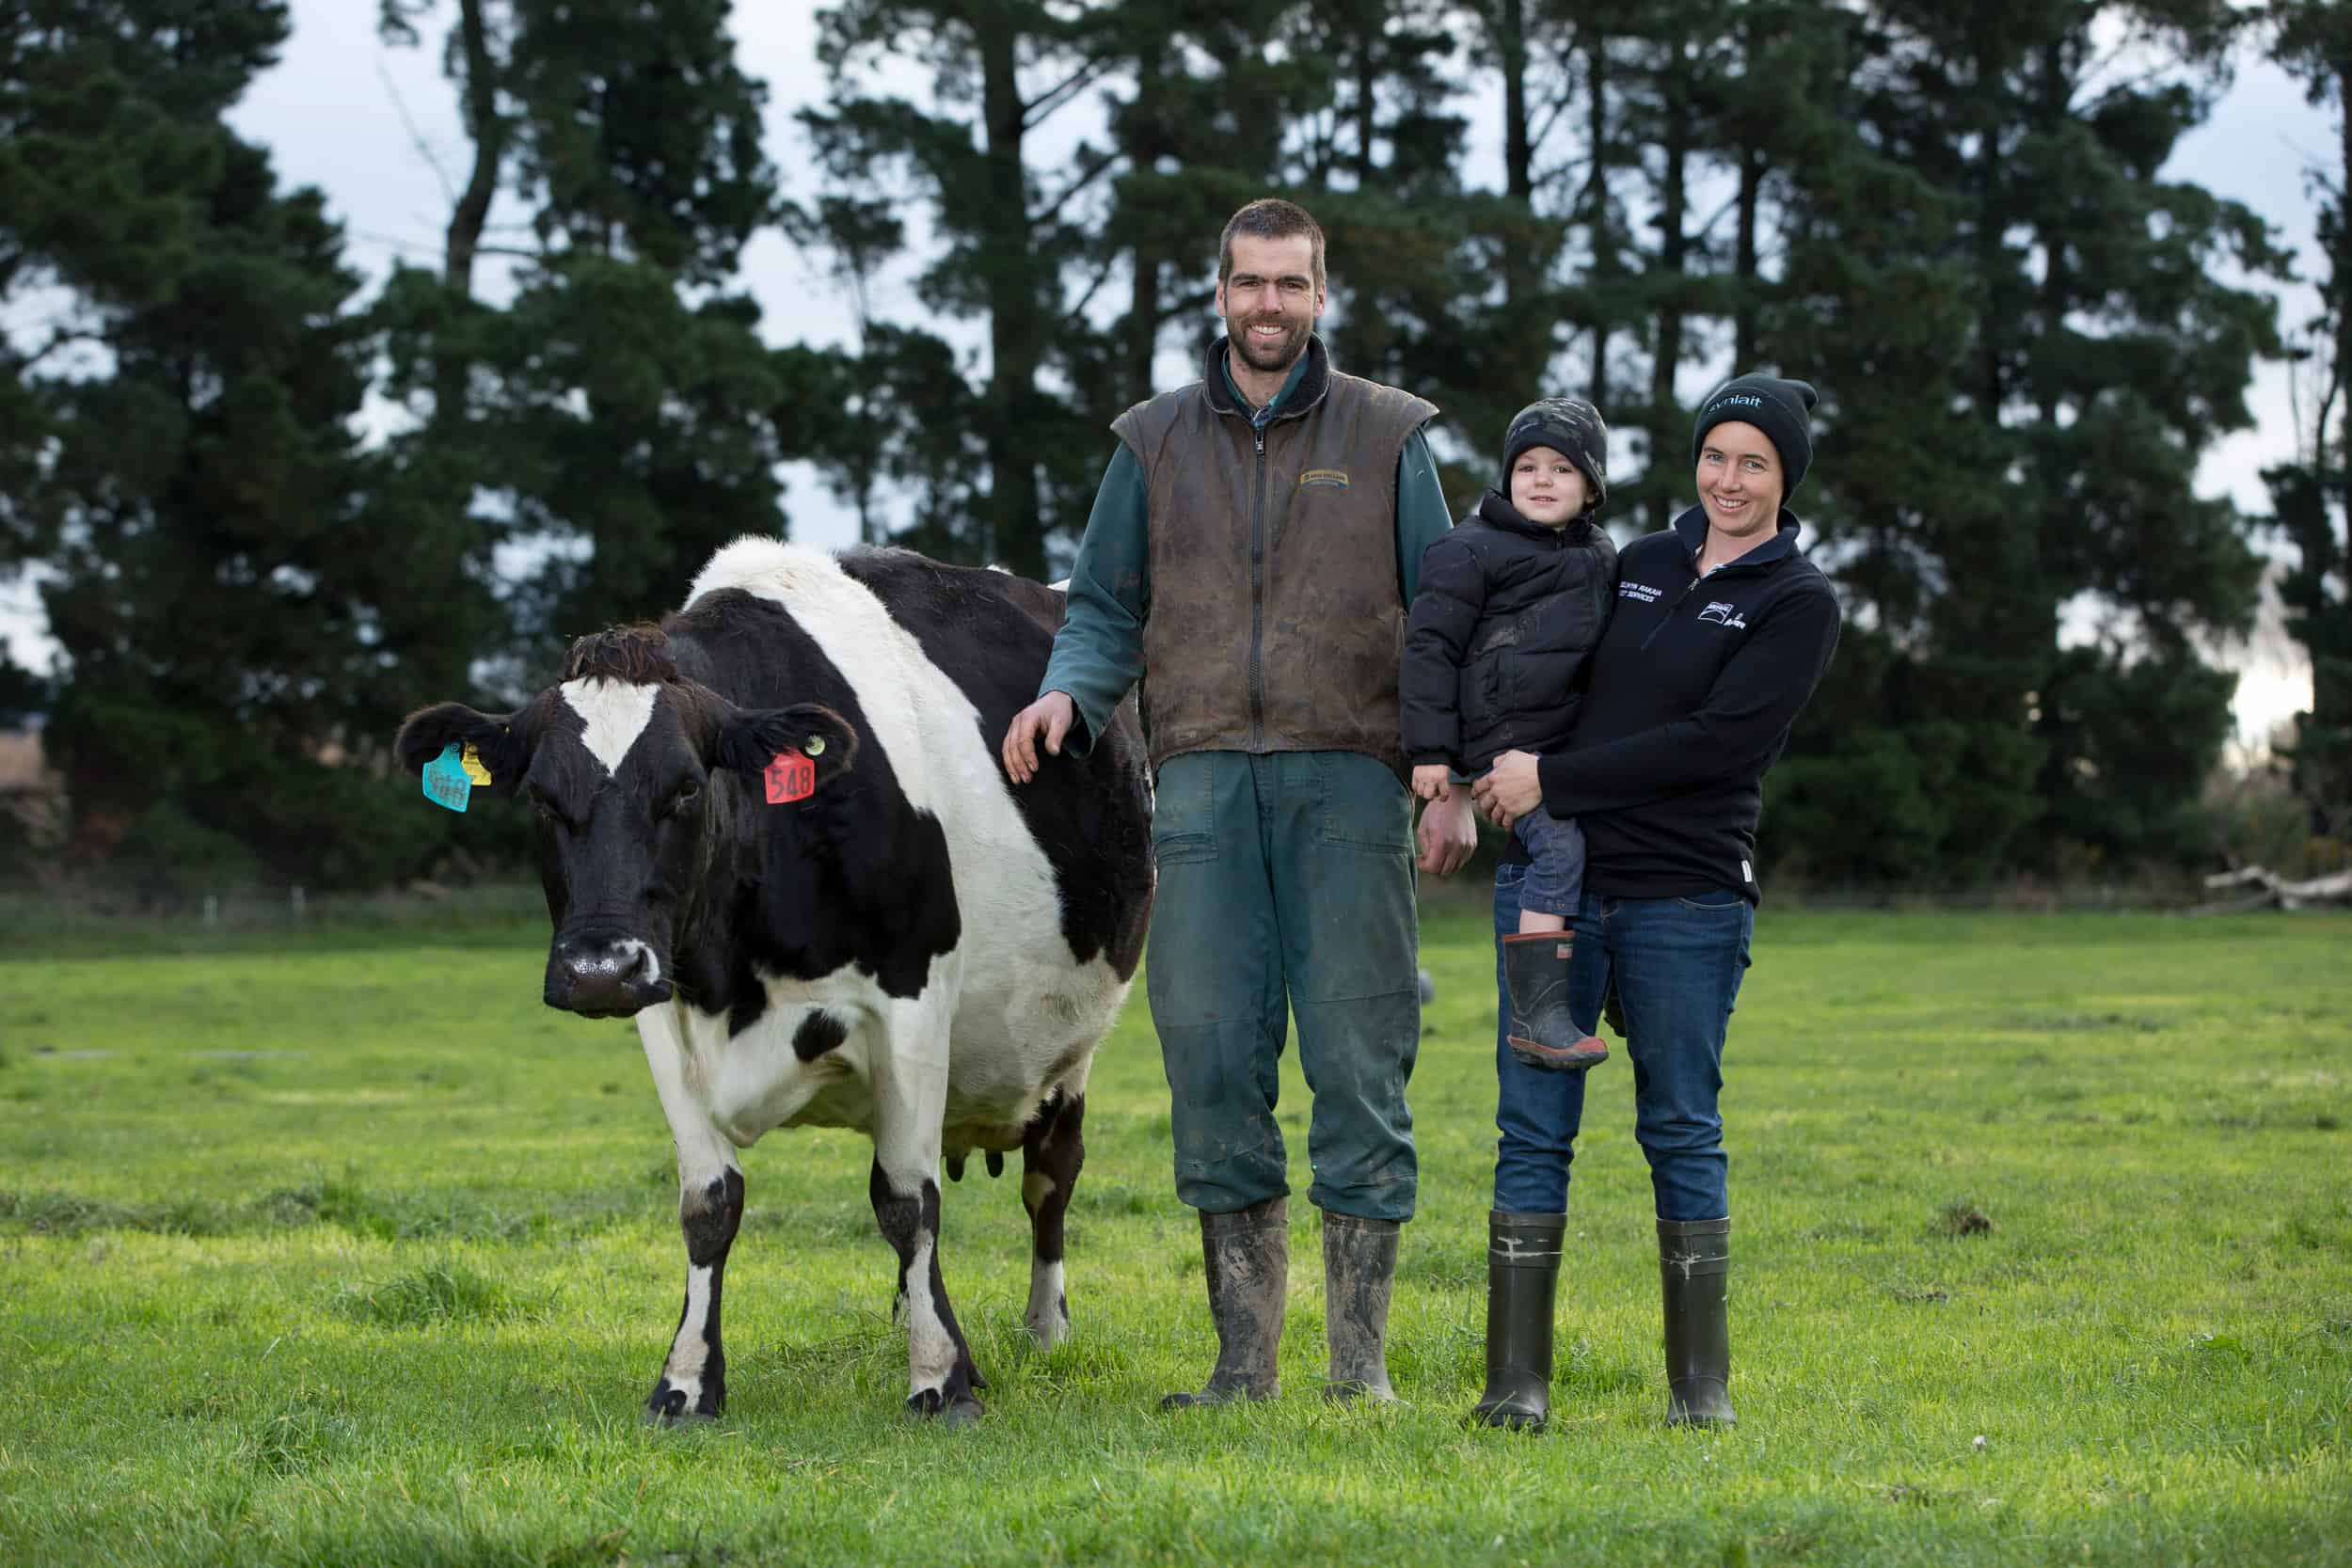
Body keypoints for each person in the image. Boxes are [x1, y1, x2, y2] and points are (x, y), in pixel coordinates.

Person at [1001, 198, 1479, 1408]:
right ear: (1219, 294)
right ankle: (1240, 1367)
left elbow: (1442, 613)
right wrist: (1067, 691)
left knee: (1360, 1055)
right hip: (1202, 785)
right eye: (1248, 283)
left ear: (1320, 296)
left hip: (1351, 787)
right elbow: (1104, 604)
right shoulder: (1151, 442)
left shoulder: (1386, 434)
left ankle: (1358, 1368)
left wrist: (1446, 771)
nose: (1269, 304)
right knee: (1211, 1054)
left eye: (1291, 284)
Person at [1468, 373, 1842, 1433]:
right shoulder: (1636, 562)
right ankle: (1516, 1382)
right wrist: (1468, 772)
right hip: (1558, 893)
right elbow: (1549, 680)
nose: (1728, 479)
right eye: (1715, 455)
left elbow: (1720, 743)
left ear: (1784, 480)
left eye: (1753, 463)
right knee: (1530, 1127)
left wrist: (1554, 780)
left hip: (1686, 899)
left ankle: (1699, 1388)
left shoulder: (1795, 600)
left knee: (1679, 1125)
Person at [1402, 397, 1618, 1072]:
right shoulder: (1468, 550)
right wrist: (1437, 758)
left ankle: (1608, 986)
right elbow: (1430, 649)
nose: (1543, 479)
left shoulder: (1600, 556)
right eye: (1528, 466)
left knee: (1603, 852)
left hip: (1566, 748)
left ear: (1591, 487)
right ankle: (1538, 1011)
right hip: (1503, 743)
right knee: (1559, 853)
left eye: (1562, 467)